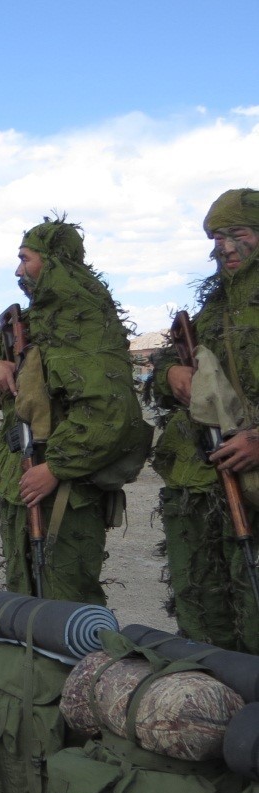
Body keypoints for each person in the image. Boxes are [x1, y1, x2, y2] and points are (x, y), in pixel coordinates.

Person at [0, 217, 147, 605]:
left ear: (54, 262)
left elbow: (110, 413)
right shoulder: (26, 322)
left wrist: (55, 468)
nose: (18, 271)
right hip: (22, 479)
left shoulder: (89, 322)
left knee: (66, 601)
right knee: (24, 594)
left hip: (67, 491)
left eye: (25, 259)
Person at [151, 188, 259, 651]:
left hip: (251, 481)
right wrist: (169, 373)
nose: (225, 247)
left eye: (238, 234)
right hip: (198, 482)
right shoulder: (215, 307)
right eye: (216, 237)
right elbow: (167, 362)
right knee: (202, 615)